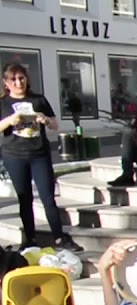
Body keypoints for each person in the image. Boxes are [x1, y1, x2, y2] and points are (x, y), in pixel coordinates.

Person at [0, 62, 79, 251]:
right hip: (14, 155)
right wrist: (11, 120)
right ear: (6, 83)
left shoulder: (38, 99)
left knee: (48, 197)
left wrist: (45, 120)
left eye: (22, 78)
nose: (19, 82)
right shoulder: (3, 103)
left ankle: (59, 238)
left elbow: (55, 125)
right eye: (14, 79)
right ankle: (29, 238)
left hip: (39, 154)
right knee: (24, 198)